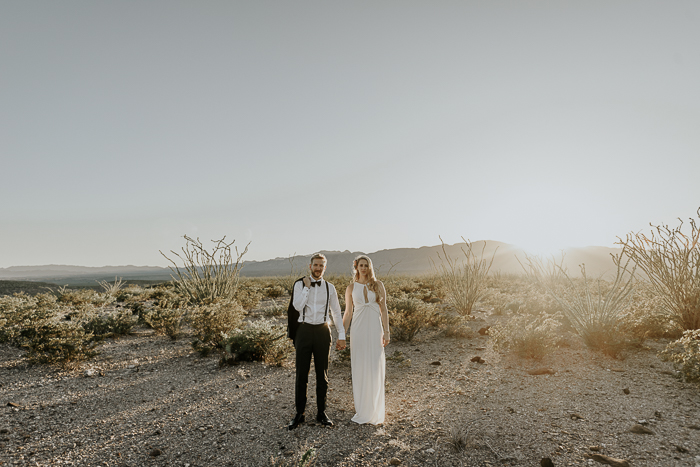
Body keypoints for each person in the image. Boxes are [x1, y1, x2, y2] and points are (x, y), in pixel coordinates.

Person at [288, 253, 346, 430]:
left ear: (325, 267)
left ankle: (322, 413)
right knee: (301, 374)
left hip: (322, 331)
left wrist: (341, 335)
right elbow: (297, 306)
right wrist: (306, 288)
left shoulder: (330, 288)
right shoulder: (299, 284)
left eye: (321, 265)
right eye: (316, 265)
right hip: (304, 331)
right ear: (310, 266)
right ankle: (300, 414)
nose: (318, 268)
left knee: (323, 374)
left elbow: (336, 312)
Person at [342, 255, 390, 425]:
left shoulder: (378, 285)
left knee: (375, 366)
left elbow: (384, 309)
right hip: (358, 330)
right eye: (361, 265)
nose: (363, 268)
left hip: (375, 329)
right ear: (356, 267)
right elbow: (347, 313)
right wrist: (342, 334)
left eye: (366, 265)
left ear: (370, 267)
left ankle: (375, 409)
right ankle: (363, 408)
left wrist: (387, 331)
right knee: (360, 365)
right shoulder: (350, 288)